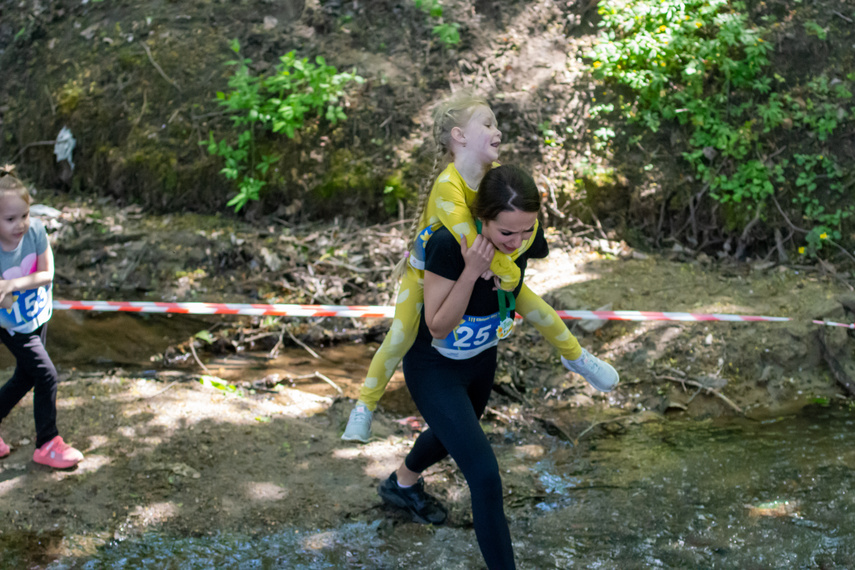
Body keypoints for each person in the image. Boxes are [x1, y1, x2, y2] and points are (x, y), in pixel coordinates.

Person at [377, 165, 618, 569]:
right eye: (507, 233)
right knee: (486, 478)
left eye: (527, 231)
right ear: (480, 217)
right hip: (433, 365)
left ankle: (400, 483)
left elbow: (518, 277)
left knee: (454, 431)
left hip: (481, 358)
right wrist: (471, 273)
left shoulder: (524, 232)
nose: (518, 242)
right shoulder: (447, 243)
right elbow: (437, 324)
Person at [342, 93, 616, 442]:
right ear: (460, 136)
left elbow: (513, 224)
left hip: (484, 266)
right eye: (487, 123)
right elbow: (470, 239)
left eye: (496, 123)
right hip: (429, 269)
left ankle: (576, 358)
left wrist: (510, 264)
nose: (497, 129)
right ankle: (365, 406)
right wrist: (510, 272)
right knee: (400, 335)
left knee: (539, 308)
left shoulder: (495, 178)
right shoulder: (447, 186)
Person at [0, 165, 83, 469]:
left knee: (26, 376)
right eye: (10, 219)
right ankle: (47, 443)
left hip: (38, 314)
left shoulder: (35, 231)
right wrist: (7, 292)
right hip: (11, 325)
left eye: (24, 215)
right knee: (46, 374)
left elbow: (47, 274)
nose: (20, 224)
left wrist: (11, 284)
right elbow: (5, 304)